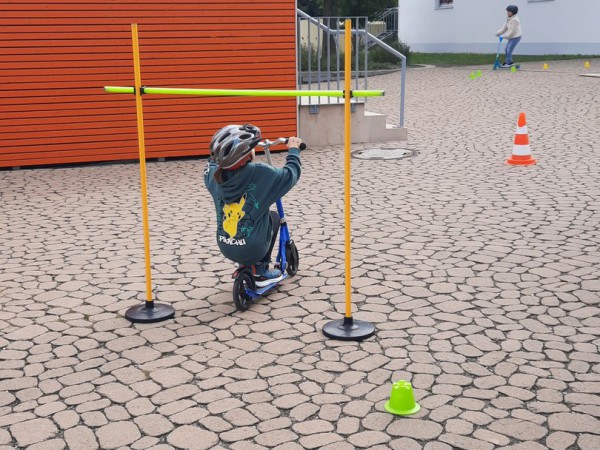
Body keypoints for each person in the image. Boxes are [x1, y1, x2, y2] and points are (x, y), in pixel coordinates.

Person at [204, 124, 303, 287]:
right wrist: (294, 150)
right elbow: (290, 175)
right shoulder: (262, 174)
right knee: (274, 217)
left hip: (226, 246)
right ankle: (260, 270)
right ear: (246, 156)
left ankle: (246, 265)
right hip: (254, 249)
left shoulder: (213, 176)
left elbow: (210, 164)